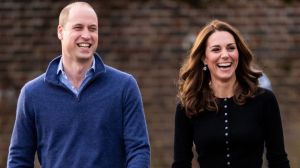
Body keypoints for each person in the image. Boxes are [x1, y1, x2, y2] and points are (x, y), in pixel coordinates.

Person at [7, 2, 150, 168]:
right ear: (60, 31)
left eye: (92, 28)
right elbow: (19, 159)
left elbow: (138, 150)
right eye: (78, 27)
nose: (87, 35)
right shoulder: (32, 94)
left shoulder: (124, 87)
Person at [172, 20, 290, 168]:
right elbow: (181, 163)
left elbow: (278, 159)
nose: (225, 55)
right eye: (216, 49)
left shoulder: (264, 100)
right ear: (204, 58)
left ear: (238, 53)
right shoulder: (188, 105)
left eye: (231, 48)